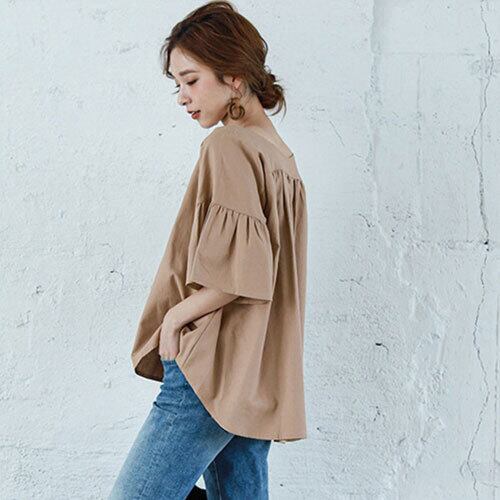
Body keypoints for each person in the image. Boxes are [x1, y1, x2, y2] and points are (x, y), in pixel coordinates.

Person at [109, 1, 308, 498]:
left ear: (235, 76)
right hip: (253, 370)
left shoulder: (229, 145)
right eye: (177, 84)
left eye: (192, 80)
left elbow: (242, 273)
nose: (182, 97)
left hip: (211, 368)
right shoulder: (281, 157)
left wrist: (175, 318)